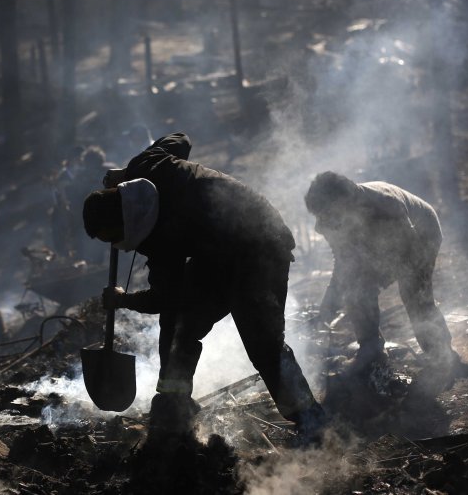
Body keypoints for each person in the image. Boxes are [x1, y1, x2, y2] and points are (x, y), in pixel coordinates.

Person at [83, 132, 325, 439]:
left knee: (263, 341)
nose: (115, 246)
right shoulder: (147, 165)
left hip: (261, 244)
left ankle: (311, 419)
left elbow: (164, 297)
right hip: (214, 251)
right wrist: (129, 173)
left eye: (110, 237)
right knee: (180, 322)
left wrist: (123, 300)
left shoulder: (160, 239)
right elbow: (178, 140)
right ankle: (174, 404)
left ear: (126, 224)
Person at [304, 172, 458, 378]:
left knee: (414, 294)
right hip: (378, 242)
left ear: (344, 201)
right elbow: (343, 264)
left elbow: (411, 253)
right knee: (355, 288)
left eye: (328, 213)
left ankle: (440, 354)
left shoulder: (386, 204)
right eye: (321, 215)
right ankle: (371, 349)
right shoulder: (331, 220)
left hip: (422, 233)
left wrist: (381, 277)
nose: (322, 222)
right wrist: (328, 307)